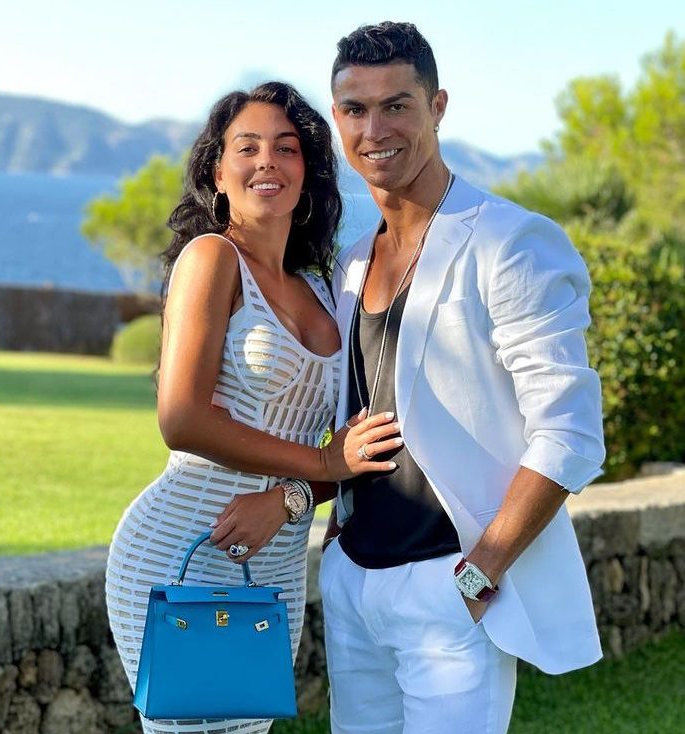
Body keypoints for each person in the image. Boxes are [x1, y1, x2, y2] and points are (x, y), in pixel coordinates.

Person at [317, 21, 607, 733]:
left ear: (437, 106)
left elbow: (569, 434)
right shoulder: (350, 262)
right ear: (337, 119)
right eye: (355, 109)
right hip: (352, 582)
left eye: (397, 105)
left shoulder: (510, 241)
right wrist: (332, 544)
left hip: (451, 585)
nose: (374, 129)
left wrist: (479, 574)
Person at [105, 81, 399, 734]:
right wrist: (320, 462)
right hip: (181, 545)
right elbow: (181, 418)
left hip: (276, 562)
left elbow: (355, 452)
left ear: (307, 173)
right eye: (248, 147)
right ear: (218, 172)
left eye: (286, 147)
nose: (268, 160)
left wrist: (290, 497)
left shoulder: (325, 288)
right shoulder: (212, 258)